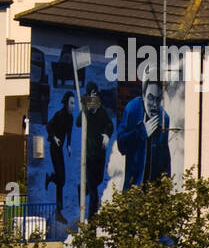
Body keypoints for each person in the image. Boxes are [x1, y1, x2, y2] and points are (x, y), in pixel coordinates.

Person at [116, 75, 170, 191]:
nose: (154, 104)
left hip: (153, 194)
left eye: (158, 99)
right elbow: (121, 145)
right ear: (143, 96)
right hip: (133, 189)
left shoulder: (164, 118)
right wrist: (141, 133)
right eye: (150, 98)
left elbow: (165, 159)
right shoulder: (133, 109)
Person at [75, 82, 112, 219]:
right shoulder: (86, 113)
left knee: (98, 180)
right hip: (89, 157)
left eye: (96, 95)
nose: (95, 100)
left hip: (100, 156)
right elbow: (78, 123)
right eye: (92, 96)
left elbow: (109, 124)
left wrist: (107, 135)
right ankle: (92, 223)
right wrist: (86, 107)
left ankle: (82, 189)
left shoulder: (102, 111)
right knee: (94, 194)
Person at [45, 91, 74, 223]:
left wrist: (68, 145)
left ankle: (51, 177)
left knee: (61, 178)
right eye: (71, 103)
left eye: (74, 103)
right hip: (54, 148)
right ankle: (58, 211)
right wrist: (54, 137)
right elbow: (49, 126)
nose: (73, 106)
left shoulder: (70, 117)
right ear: (66, 103)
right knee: (61, 179)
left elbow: (69, 132)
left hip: (60, 149)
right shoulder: (59, 115)